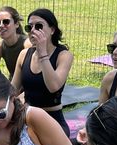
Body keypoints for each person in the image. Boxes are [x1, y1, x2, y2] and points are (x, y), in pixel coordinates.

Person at [73, 28, 117, 145]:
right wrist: (88, 131)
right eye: (112, 47)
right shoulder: (110, 79)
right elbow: (98, 115)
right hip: (106, 140)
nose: (115, 52)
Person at [11, 8, 73, 138]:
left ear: (52, 30)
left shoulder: (64, 55)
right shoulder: (24, 55)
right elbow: (13, 91)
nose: (33, 30)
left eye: (39, 26)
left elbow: (53, 86)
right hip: (27, 118)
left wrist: (42, 53)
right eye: (29, 27)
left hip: (52, 120)